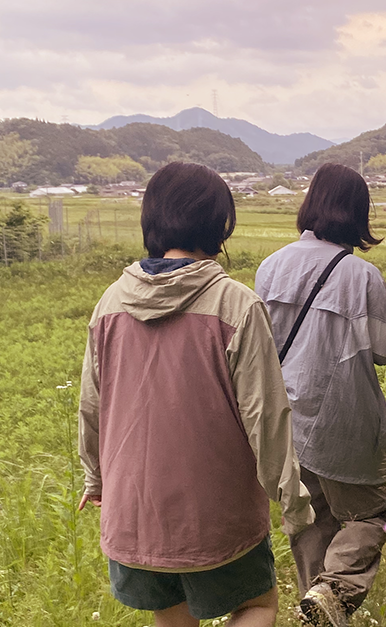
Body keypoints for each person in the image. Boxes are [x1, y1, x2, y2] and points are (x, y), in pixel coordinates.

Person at [78, 162, 313, 627]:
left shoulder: (110, 304)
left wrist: (95, 480)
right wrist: (292, 500)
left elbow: (91, 405)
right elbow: (265, 416)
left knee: (172, 616)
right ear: (219, 225)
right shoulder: (235, 305)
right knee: (258, 606)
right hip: (217, 517)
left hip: (135, 513)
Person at [255, 163, 386, 627]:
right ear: (357, 215)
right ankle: (333, 590)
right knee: (370, 516)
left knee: (310, 519)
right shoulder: (361, 277)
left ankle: (315, 604)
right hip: (344, 418)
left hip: (286, 419)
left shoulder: (270, 267)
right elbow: (385, 350)